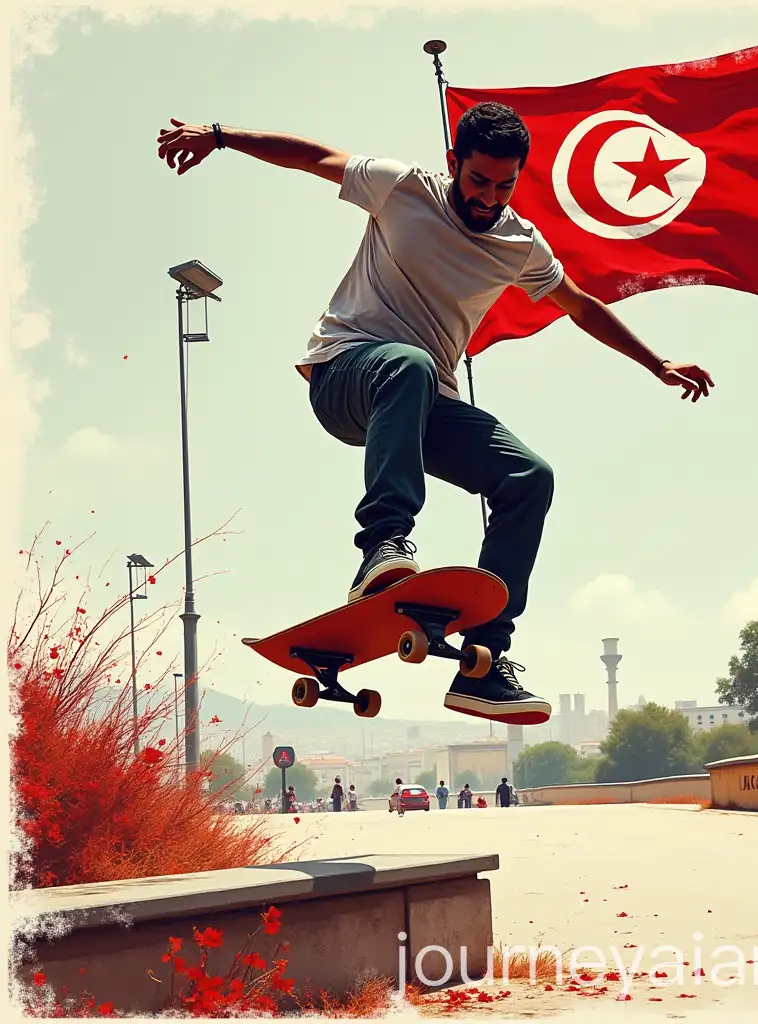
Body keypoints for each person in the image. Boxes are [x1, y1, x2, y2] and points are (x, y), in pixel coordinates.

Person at [156, 106, 713, 727]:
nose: (489, 198)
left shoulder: (519, 244)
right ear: (455, 165)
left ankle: (485, 661)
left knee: (529, 477)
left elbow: (579, 305)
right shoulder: (402, 187)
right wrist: (222, 137)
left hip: (422, 405)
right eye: (478, 181)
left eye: (505, 185)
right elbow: (315, 158)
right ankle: (381, 546)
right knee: (410, 364)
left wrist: (656, 363)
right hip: (345, 376)